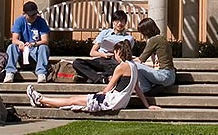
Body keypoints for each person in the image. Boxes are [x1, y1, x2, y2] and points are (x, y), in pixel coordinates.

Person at [27, 40, 161, 112]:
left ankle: (40, 99)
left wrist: (98, 94)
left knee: (73, 100)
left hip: (110, 101)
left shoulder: (121, 67)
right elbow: (137, 89)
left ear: (118, 52)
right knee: (75, 102)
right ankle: (42, 101)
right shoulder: (133, 66)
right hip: (118, 102)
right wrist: (147, 105)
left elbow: (108, 88)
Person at [72, 10, 134, 83]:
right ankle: (102, 78)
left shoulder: (128, 38)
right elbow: (92, 53)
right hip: (100, 60)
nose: (119, 24)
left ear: (125, 23)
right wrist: (104, 55)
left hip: (114, 62)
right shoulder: (104, 33)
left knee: (118, 68)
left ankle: (92, 77)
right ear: (113, 22)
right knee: (77, 62)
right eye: (117, 21)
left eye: (122, 21)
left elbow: (126, 55)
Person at [4, 1, 50, 83]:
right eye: (30, 15)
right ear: (24, 14)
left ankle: (41, 73)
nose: (33, 17)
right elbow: (14, 40)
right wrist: (20, 43)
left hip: (35, 51)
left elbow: (45, 40)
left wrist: (34, 44)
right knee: (11, 47)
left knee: (44, 47)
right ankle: (10, 72)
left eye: (35, 14)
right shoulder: (19, 21)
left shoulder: (41, 21)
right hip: (22, 52)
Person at [134, 17, 176, 95]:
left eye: (142, 33)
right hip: (170, 75)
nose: (143, 36)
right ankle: (152, 87)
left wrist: (127, 60)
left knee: (134, 65)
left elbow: (140, 60)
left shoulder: (154, 40)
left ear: (146, 31)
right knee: (140, 67)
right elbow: (154, 64)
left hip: (164, 74)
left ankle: (146, 89)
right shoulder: (162, 39)